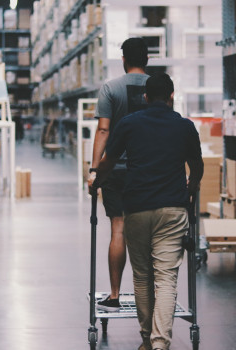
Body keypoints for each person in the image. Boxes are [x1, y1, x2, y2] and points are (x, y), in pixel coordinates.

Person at [91, 74, 204, 350]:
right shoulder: (185, 126)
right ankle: (159, 343)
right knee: (166, 278)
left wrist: (96, 181)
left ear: (145, 98)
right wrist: (191, 186)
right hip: (173, 209)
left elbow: (108, 162)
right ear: (172, 96)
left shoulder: (129, 124)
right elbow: (197, 165)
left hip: (137, 208)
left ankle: (145, 339)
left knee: (142, 277)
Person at [88, 37, 150, 311]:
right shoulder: (158, 87)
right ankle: (147, 294)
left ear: (123, 59)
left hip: (116, 170)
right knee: (148, 230)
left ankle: (114, 296)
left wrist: (94, 169)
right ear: (146, 59)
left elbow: (103, 130)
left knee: (118, 229)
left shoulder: (111, 88)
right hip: (148, 169)